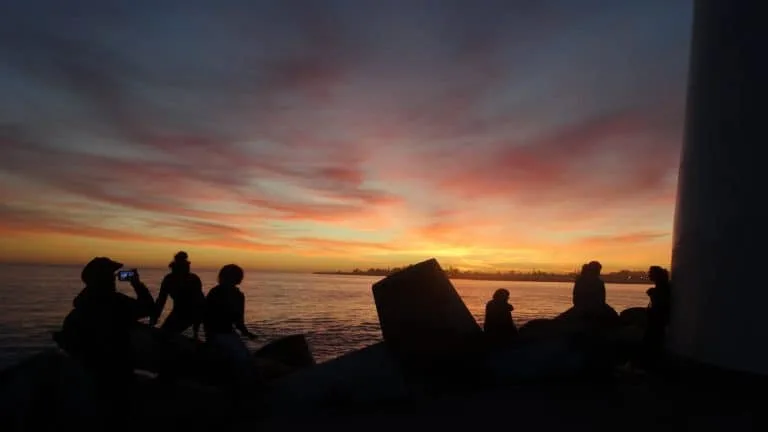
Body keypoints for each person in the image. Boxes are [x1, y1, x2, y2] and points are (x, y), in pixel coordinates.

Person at [57, 258, 154, 408]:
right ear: (102, 279)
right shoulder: (116, 303)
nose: (114, 279)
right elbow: (148, 308)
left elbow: (69, 342)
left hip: (89, 376)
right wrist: (137, 284)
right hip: (116, 375)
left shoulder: (80, 308)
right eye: (111, 275)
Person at [203, 264, 257, 396]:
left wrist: (247, 333)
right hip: (219, 334)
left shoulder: (217, 292)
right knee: (243, 361)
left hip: (220, 333)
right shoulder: (230, 295)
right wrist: (247, 333)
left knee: (241, 361)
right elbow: (239, 322)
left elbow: (205, 316)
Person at [151, 251, 205, 339]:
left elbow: (200, 302)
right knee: (164, 335)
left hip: (191, 312)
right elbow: (161, 300)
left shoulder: (193, 279)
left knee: (165, 335)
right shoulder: (169, 279)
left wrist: (196, 331)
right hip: (179, 312)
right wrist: (154, 317)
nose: (188, 267)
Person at [644, 266, 672, 361]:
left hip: (657, 321)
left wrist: (653, 293)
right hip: (656, 320)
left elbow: (660, 303)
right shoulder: (661, 286)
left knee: (652, 342)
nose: (649, 275)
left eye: (651, 273)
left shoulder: (661, 288)